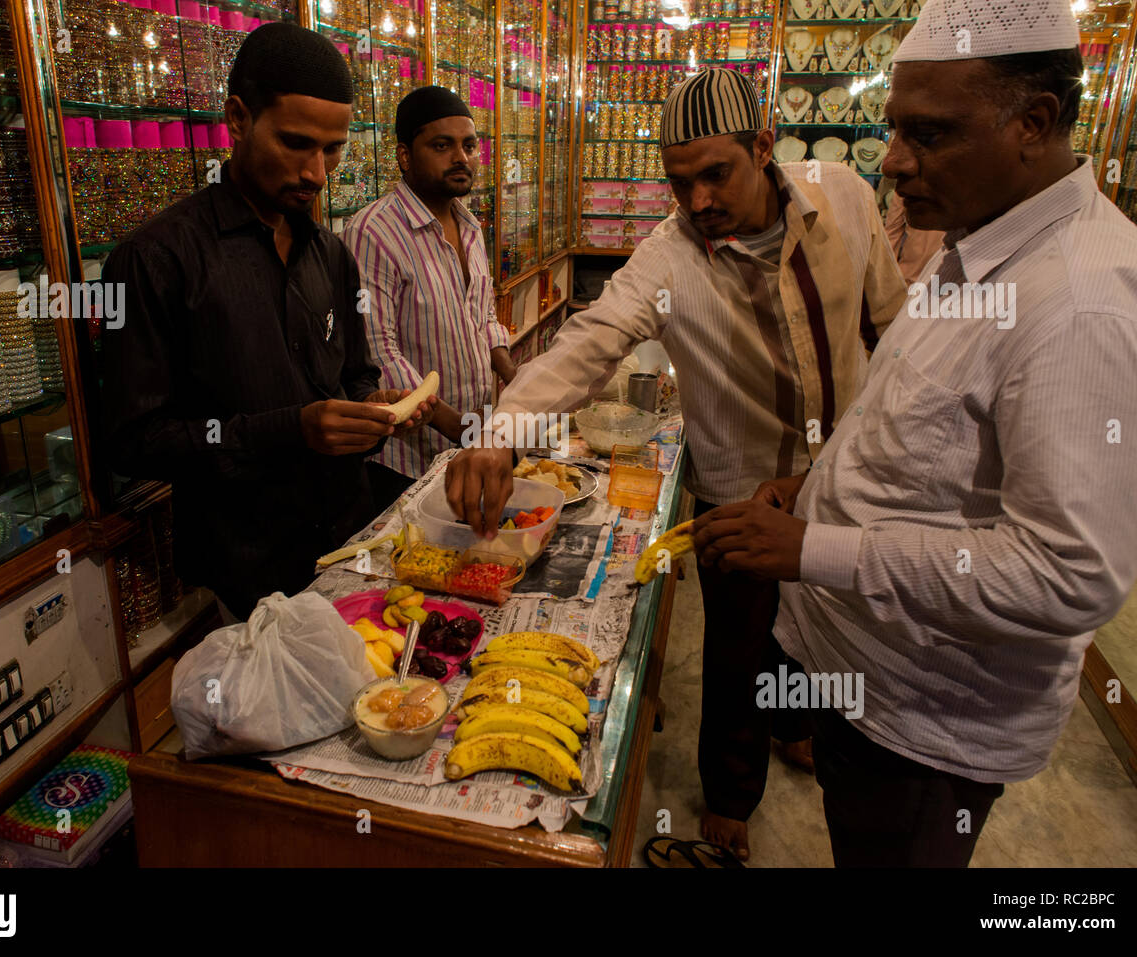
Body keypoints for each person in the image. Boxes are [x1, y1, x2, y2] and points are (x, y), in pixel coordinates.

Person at [691, 0, 1137, 867]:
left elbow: (1070, 572)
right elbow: (917, 422)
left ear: (1035, 122)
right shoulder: (981, 239)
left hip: (925, 722)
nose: (896, 162)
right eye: (894, 130)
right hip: (867, 678)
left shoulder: (1087, 304)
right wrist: (820, 486)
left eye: (930, 134)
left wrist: (813, 548)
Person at [445, 68, 907, 861]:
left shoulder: (847, 200)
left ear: (764, 147)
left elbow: (893, 327)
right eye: (678, 182)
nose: (696, 201)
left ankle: (796, 724)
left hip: (844, 476)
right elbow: (589, 342)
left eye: (714, 174)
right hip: (737, 489)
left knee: (827, 627)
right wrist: (499, 430)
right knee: (739, 643)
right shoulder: (669, 256)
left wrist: (882, 451)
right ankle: (730, 793)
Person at [101, 23, 433, 623]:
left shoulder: (330, 254)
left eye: (333, 149)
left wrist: (377, 407)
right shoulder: (157, 259)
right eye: (296, 143)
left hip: (350, 542)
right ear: (237, 118)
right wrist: (289, 429)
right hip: (246, 567)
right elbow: (135, 439)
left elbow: (352, 377)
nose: (317, 173)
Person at [342, 86, 516, 513]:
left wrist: (516, 377)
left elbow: (484, 316)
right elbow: (379, 353)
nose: (462, 157)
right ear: (405, 156)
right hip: (407, 462)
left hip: (470, 442)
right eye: (442, 146)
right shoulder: (373, 232)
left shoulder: (469, 224)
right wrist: (464, 430)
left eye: (469, 145)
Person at [883, 189, 945, 284]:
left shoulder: (909, 184)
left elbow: (892, 233)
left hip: (915, 277)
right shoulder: (908, 184)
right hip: (912, 278)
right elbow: (892, 234)